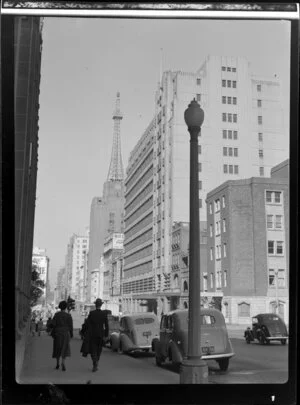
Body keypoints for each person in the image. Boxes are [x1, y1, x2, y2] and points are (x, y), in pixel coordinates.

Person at [83, 298, 108, 372]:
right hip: (101, 334)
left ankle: (95, 362)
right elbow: (106, 325)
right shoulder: (104, 314)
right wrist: (106, 335)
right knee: (99, 350)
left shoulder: (92, 313)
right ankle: (96, 361)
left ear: (95, 305)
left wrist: (83, 331)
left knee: (93, 349)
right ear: (101, 305)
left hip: (92, 334)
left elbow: (87, 324)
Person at [51, 300, 73, 371]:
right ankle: (63, 362)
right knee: (64, 348)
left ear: (60, 307)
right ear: (66, 307)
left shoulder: (56, 315)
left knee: (57, 348)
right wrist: (71, 334)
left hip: (57, 333)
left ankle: (57, 364)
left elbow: (53, 324)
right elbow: (70, 326)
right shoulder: (68, 315)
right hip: (65, 334)